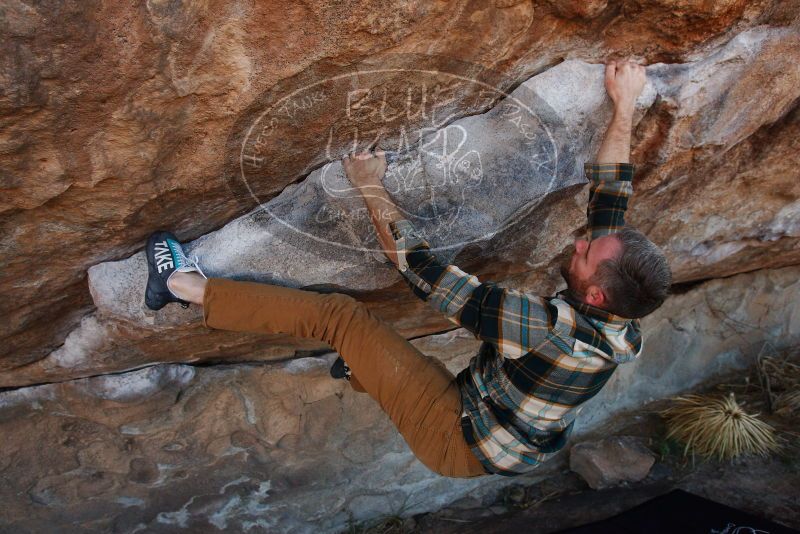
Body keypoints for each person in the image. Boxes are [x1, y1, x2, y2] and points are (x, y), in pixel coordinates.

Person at [143, 58, 671, 478]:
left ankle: (178, 285)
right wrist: (624, 104)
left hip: (457, 439)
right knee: (369, 351)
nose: (579, 243)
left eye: (585, 253)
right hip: (493, 423)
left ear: (596, 296)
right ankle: (363, 370)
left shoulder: (547, 331)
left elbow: (420, 271)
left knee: (341, 320)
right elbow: (611, 198)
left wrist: (369, 184)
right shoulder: (622, 305)